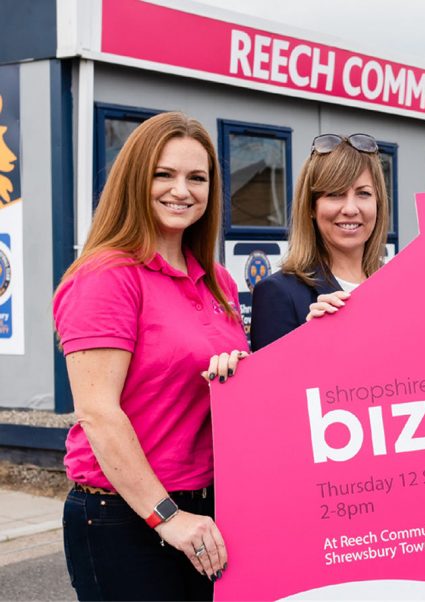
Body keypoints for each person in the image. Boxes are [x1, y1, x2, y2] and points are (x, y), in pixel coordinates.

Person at [53, 112, 249, 600]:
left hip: (206, 511)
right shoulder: (108, 276)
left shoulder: (217, 281)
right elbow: (98, 413)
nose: (181, 190)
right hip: (125, 517)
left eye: (197, 178)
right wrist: (167, 516)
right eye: (164, 174)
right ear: (134, 179)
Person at [250, 133, 388, 350]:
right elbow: (272, 383)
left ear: (378, 203)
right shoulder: (278, 293)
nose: (351, 209)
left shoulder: (394, 288)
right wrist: (311, 342)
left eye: (363, 193)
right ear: (311, 207)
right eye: (335, 194)